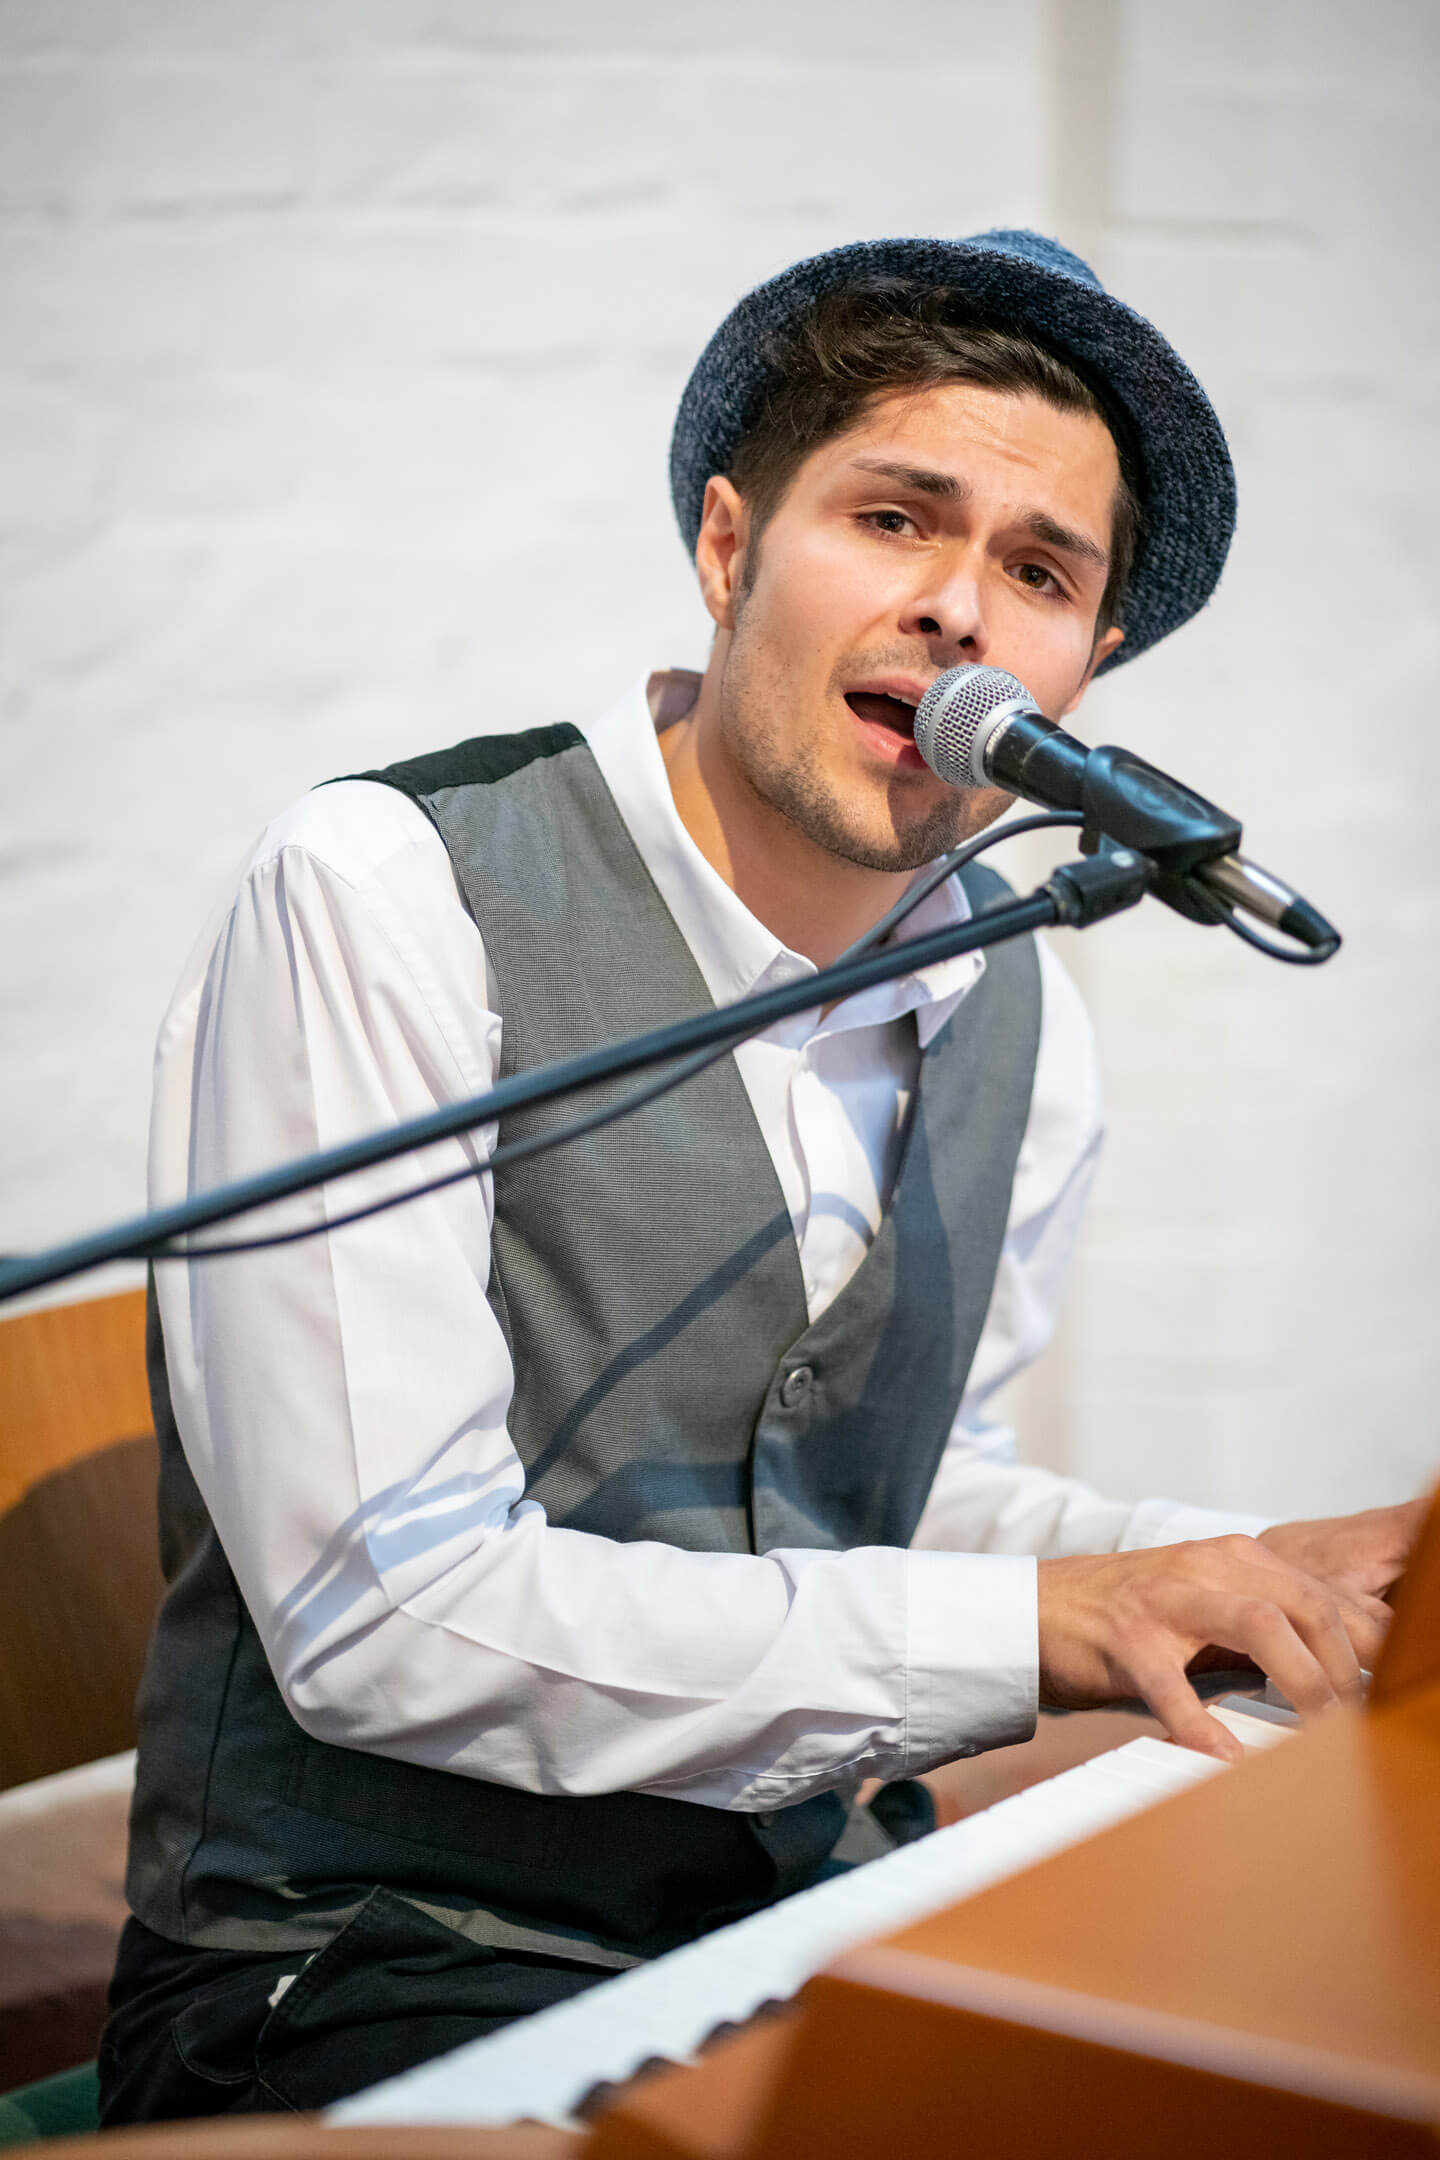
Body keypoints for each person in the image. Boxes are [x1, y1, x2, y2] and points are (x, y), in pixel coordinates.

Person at [99, 230, 1422, 2123]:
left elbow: (885, 1492)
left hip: (790, 1919)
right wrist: (1058, 1626)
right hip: (359, 1965)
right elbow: (384, 1616)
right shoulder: (388, 890)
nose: (963, 610)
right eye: (897, 520)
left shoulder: (1020, 1009)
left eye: (1040, 573)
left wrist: (1217, 1575)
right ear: (729, 550)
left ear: (1088, 665)